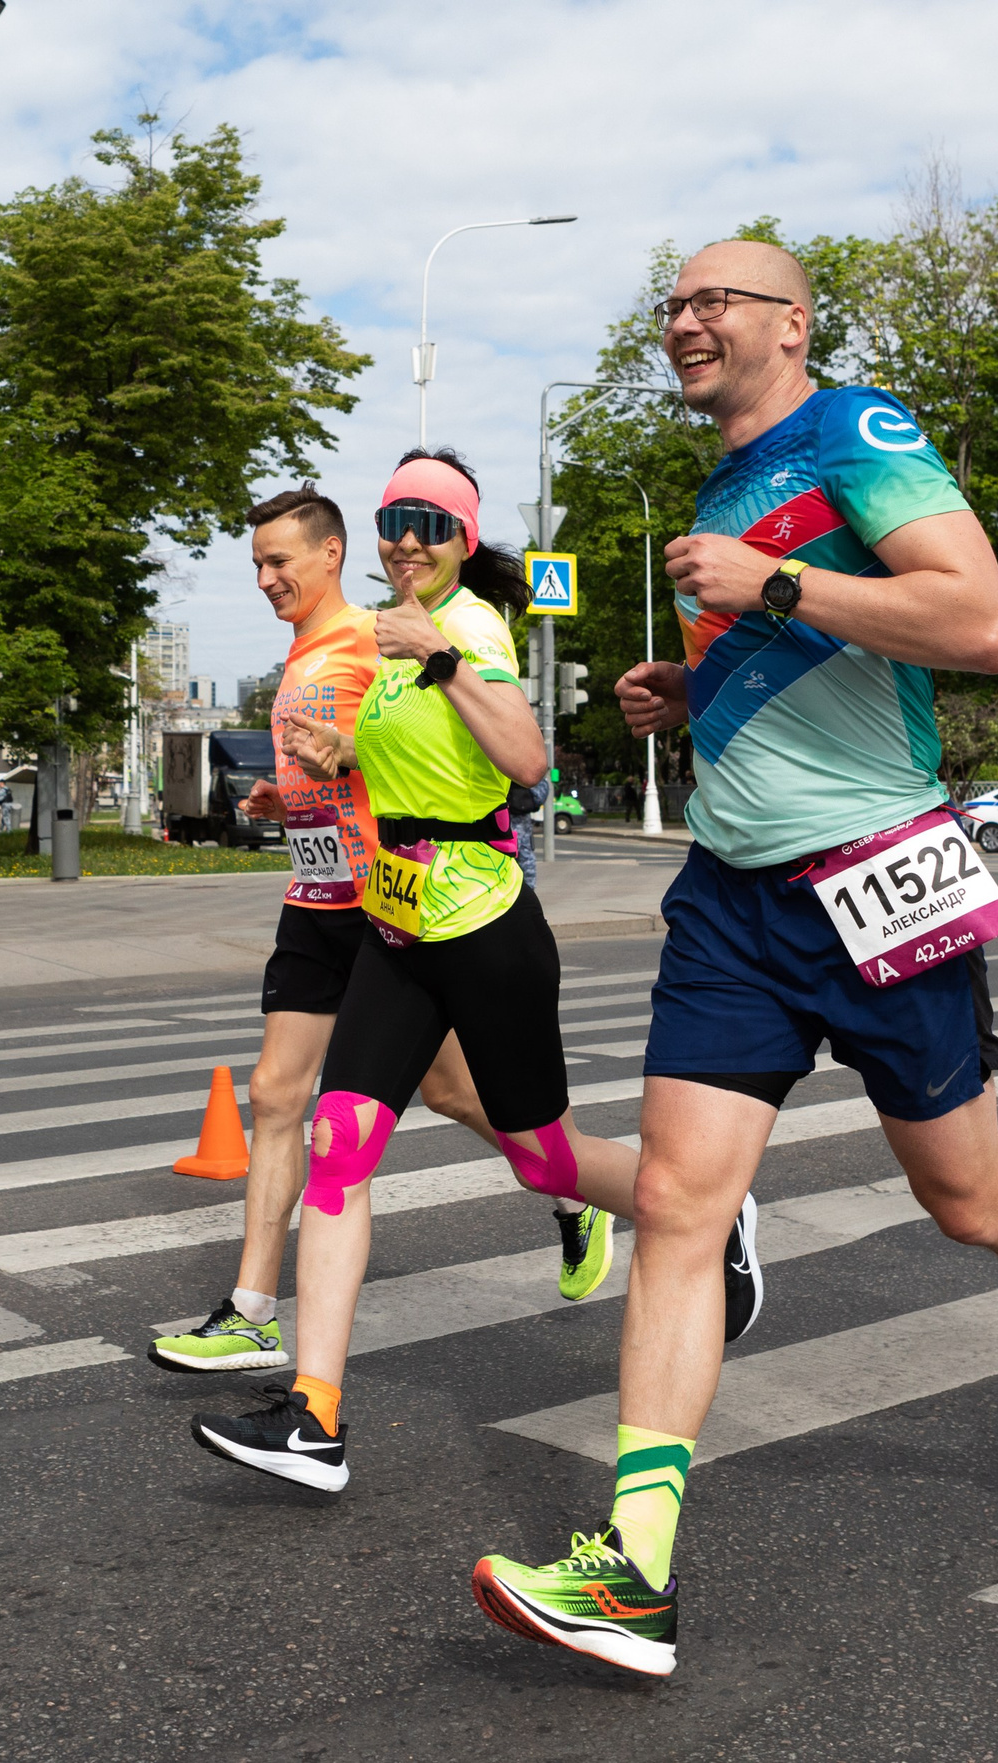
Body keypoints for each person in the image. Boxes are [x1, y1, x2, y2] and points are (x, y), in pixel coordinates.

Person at [472, 242, 998, 1680]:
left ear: (791, 323)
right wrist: (694, 685)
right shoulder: (719, 490)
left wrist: (772, 585)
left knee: (965, 1198)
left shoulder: (856, 429)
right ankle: (635, 1568)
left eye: (712, 300)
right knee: (678, 1203)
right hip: (731, 899)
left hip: (878, 877)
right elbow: (806, 659)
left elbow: (977, 624)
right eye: (671, 304)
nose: (683, 321)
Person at [188, 450, 694, 1492]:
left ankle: (695, 1213)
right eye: (394, 520)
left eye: (429, 521)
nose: (407, 539)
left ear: (461, 537)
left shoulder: (469, 627)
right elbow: (415, 764)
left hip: (484, 927)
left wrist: (442, 656)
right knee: (338, 1142)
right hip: (398, 923)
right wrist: (334, 762)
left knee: (545, 1160)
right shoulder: (396, 635)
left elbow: (526, 761)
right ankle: (314, 1415)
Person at [149, 487, 532, 1379]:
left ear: (331, 554)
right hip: (314, 895)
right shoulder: (299, 652)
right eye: (256, 564)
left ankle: (566, 1185)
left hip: (381, 900)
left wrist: (359, 756)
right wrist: (290, 801)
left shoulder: (370, 636)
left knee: (455, 1093)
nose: (265, 578)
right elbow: (339, 768)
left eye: (279, 561)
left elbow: (417, 753)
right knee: (275, 1093)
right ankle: (251, 1311)